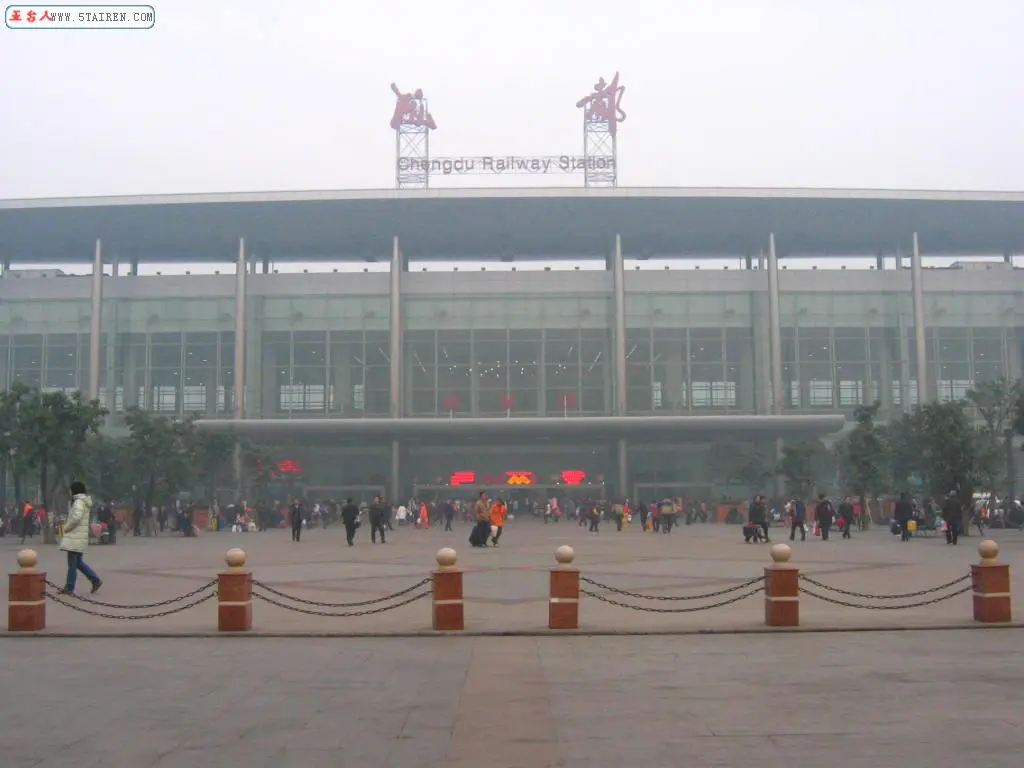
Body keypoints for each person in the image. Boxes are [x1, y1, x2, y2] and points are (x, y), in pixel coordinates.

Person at [59, 481, 102, 596]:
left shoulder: (78, 502)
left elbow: (76, 517)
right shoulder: (83, 501)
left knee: (72, 564)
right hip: (80, 536)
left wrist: (66, 527)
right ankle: (95, 580)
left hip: (75, 536)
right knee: (78, 563)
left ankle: (69, 587)